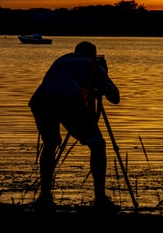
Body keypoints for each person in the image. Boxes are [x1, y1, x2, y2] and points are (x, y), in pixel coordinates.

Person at [29, 41, 120, 213]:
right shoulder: (93, 65)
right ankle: (100, 198)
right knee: (98, 145)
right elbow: (115, 97)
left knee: (50, 144)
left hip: (40, 101)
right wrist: (102, 74)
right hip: (67, 101)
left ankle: (45, 197)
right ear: (93, 55)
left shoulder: (61, 60)